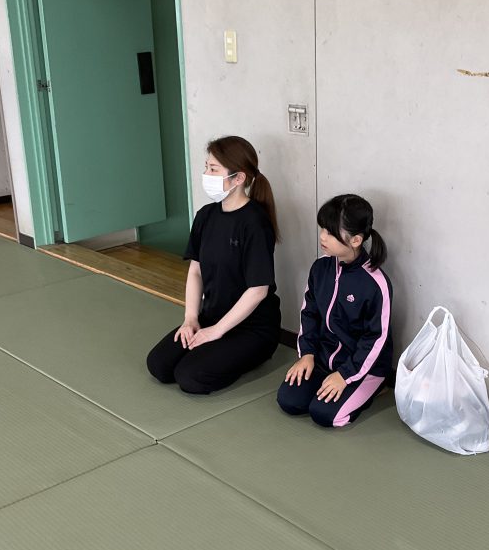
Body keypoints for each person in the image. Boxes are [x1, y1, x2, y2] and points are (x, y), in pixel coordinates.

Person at [146, 136, 281, 394]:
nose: (206, 174)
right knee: (159, 365)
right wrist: (190, 319)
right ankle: (215, 347)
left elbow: (258, 290)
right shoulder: (205, 216)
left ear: (238, 178)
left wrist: (217, 331)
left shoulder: (255, 223)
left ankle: (245, 354)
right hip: (212, 316)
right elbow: (195, 271)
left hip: (253, 328)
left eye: (213, 169)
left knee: (190, 377)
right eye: (206, 167)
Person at [277, 194, 393, 428]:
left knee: (325, 415)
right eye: (322, 229)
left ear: (356, 240)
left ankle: (376, 386)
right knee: (289, 401)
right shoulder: (320, 268)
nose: (322, 236)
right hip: (323, 359)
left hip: (362, 368)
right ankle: (328, 379)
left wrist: (345, 375)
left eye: (330, 232)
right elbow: (309, 314)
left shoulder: (375, 283)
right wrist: (307, 354)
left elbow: (375, 339)